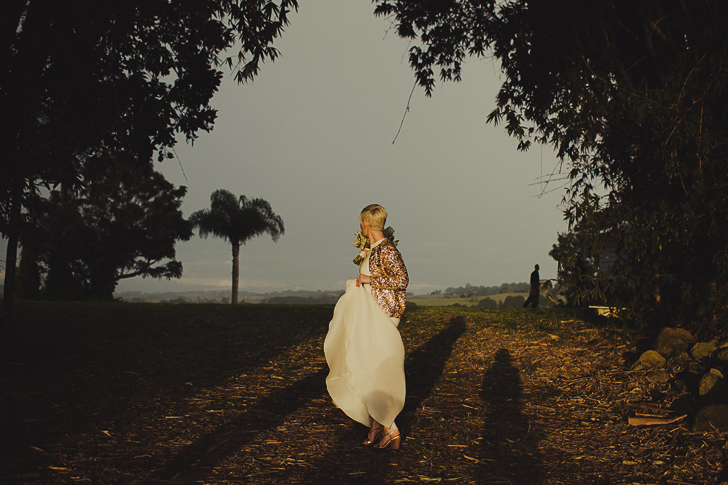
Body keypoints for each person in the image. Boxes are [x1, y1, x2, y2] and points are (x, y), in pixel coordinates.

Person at [324, 204, 409, 449]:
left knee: (374, 368)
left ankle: (389, 427)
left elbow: (401, 280)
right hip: (369, 312)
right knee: (365, 364)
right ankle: (375, 424)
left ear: (364, 224)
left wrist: (368, 278)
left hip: (383, 313)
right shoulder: (371, 248)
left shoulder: (387, 249)